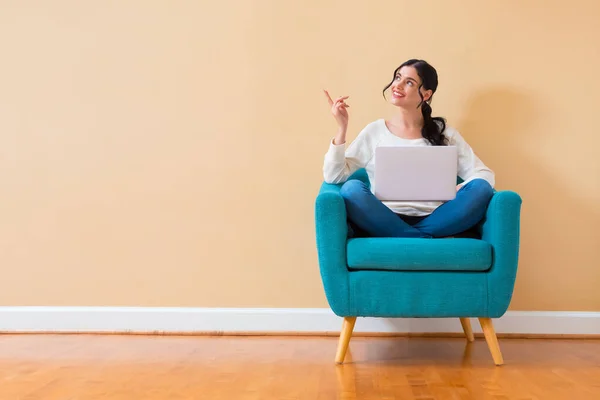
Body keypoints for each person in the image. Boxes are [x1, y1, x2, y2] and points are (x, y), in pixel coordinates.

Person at [322, 59, 495, 239]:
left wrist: (464, 186)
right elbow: (333, 176)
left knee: (481, 188)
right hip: (383, 217)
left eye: (409, 82)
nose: (398, 85)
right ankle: (421, 238)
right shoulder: (375, 131)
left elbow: (484, 175)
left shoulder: (445, 134)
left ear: (426, 95)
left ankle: (408, 236)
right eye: (398, 77)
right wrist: (342, 128)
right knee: (352, 189)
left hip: (439, 218)